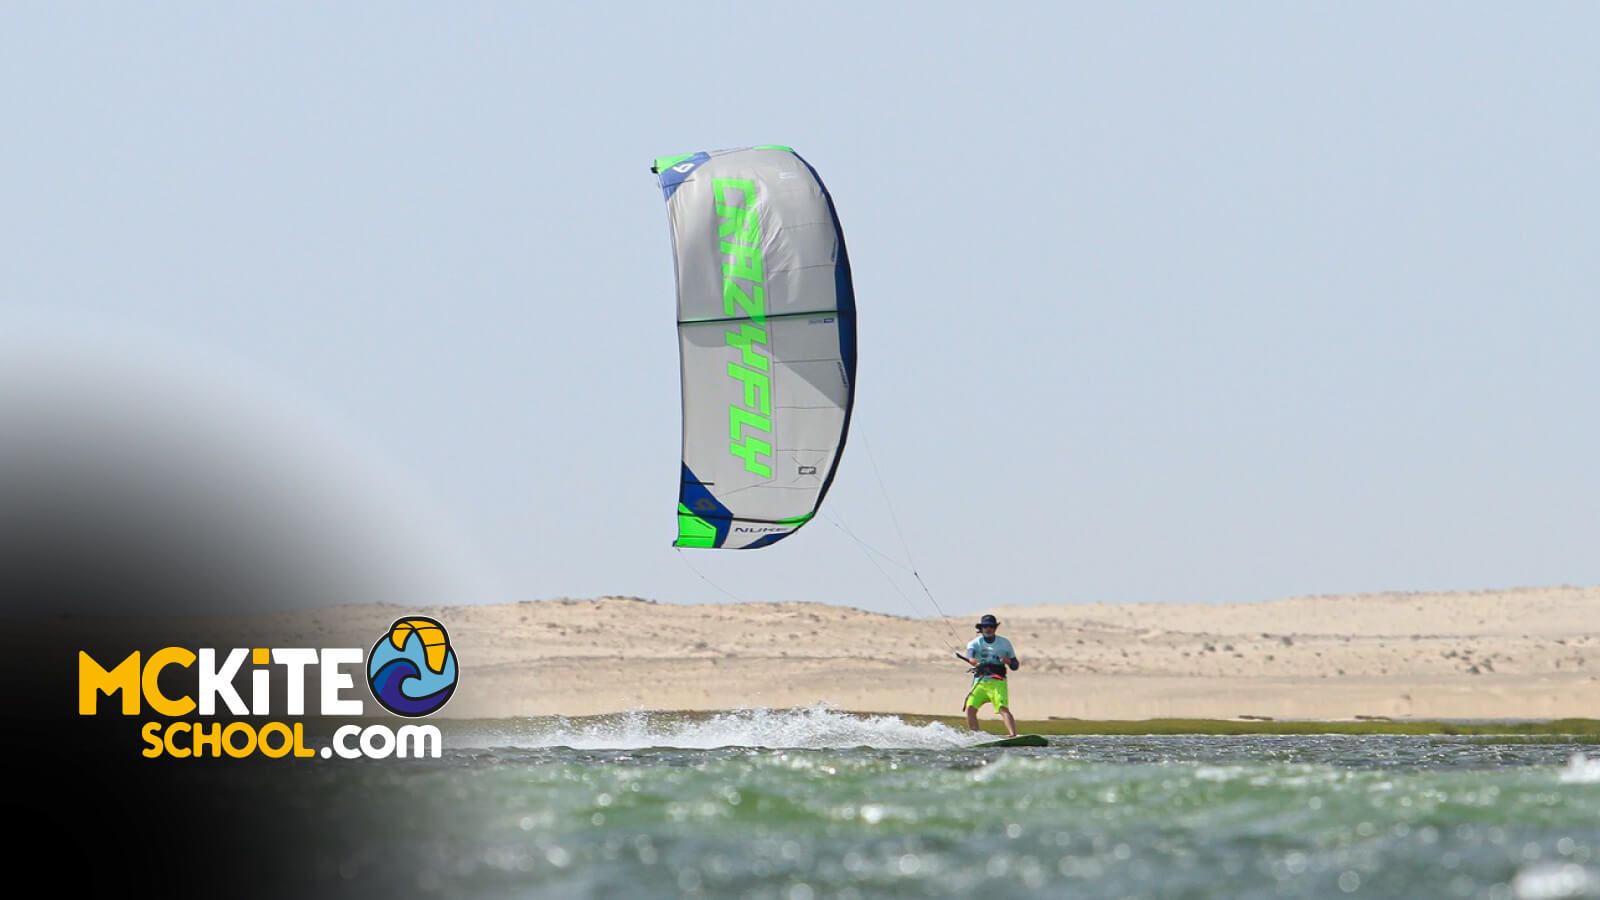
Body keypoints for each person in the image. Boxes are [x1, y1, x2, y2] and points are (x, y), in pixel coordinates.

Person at [957, 614, 1020, 737]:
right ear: (981, 628)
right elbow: (970, 653)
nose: (988, 629)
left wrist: (1008, 661)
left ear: (995, 628)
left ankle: (1013, 735)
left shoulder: (1005, 643)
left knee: (1003, 708)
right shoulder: (974, 643)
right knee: (970, 708)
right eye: (985, 626)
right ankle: (975, 736)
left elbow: (1015, 665)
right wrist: (971, 659)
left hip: (998, 681)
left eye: (991, 626)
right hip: (980, 682)